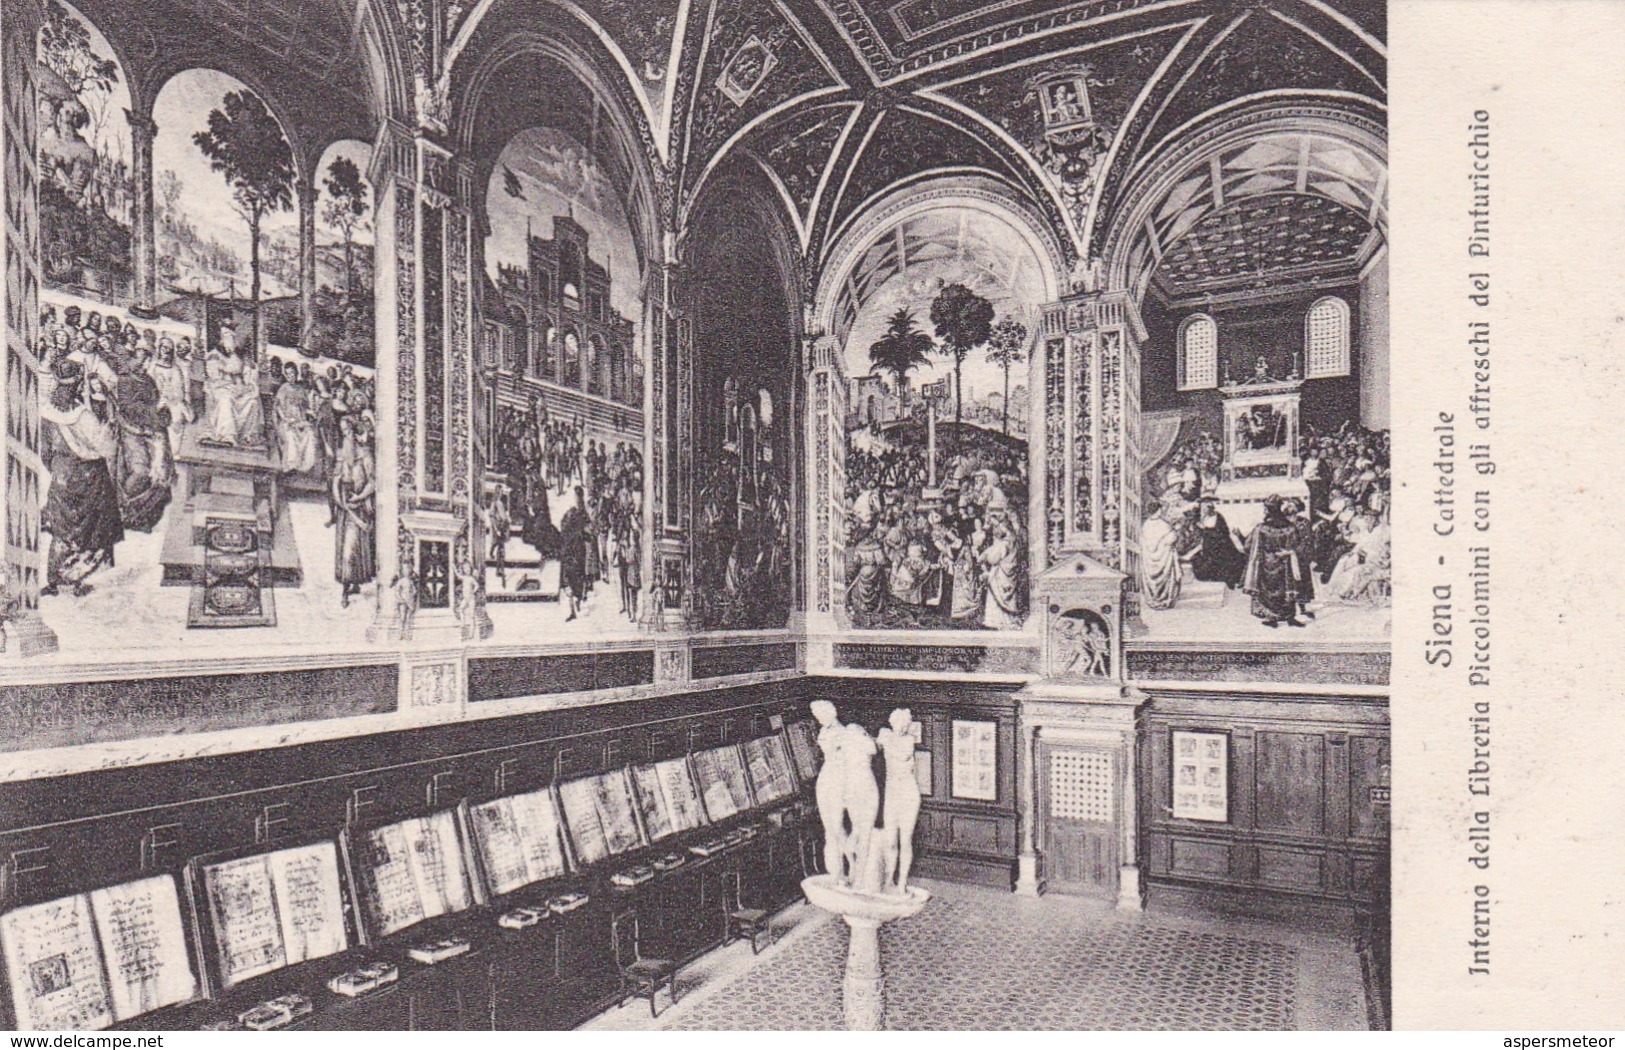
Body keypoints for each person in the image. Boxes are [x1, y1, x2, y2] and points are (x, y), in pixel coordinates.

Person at [40, 360, 123, 596]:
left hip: (61, 477)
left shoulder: (46, 412)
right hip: (89, 476)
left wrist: (59, 470)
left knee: (62, 529)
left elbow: (44, 452)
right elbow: (104, 447)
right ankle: (79, 580)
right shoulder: (82, 414)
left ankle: (55, 578)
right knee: (90, 528)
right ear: (77, 384)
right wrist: (110, 428)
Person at [877, 708, 923, 893]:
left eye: (906, 723)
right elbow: (872, 747)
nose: (903, 727)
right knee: (890, 840)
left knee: (905, 840)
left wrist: (886, 740)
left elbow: (902, 755)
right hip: (892, 793)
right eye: (900, 723)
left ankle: (902, 883)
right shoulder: (886, 735)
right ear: (892, 722)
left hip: (908, 793)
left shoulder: (908, 740)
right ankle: (889, 880)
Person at [332, 416, 376, 608]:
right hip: (345, 506)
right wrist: (338, 498)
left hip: (359, 506)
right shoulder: (342, 454)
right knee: (345, 550)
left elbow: (374, 481)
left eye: (348, 431)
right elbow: (335, 478)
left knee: (354, 549)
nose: (345, 436)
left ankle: (354, 582)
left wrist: (360, 497)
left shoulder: (364, 454)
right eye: (342, 433)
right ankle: (345, 588)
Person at [1242, 494, 1305, 628]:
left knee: (1268, 590)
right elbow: (1299, 544)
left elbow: (1247, 547)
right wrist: (1288, 552)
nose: (1264, 511)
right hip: (1285, 563)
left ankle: (1272, 617)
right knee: (1286, 588)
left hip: (1266, 563)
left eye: (1265, 508)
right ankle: (1289, 617)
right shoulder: (1290, 527)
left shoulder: (1261, 528)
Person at [204, 325, 265, 447]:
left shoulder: (238, 357)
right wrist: (228, 373)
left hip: (236, 388)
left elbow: (246, 374)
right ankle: (227, 435)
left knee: (252, 401)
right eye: (226, 336)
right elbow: (214, 376)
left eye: (232, 336)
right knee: (226, 399)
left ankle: (249, 435)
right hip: (220, 388)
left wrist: (247, 382)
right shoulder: (214, 355)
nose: (230, 339)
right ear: (221, 338)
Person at [1187, 496, 1245, 588]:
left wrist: (1205, 529)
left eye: (1209, 504)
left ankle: (1230, 580)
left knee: (1229, 562)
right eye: (1205, 504)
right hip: (1208, 547)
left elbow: (1224, 532)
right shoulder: (1199, 518)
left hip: (1222, 545)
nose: (1207, 506)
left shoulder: (1218, 516)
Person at [980, 518, 1027, 628]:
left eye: (1000, 527)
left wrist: (987, 555)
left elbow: (993, 559)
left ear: (1005, 528)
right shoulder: (1015, 540)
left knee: (998, 596)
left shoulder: (1005, 543)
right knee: (1010, 597)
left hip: (1001, 574)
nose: (998, 530)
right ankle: (1010, 620)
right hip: (1011, 572)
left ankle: (998, 621)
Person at [273, 360, 317, 474]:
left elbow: (305, 407)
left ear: (296, 374)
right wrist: (285, 419)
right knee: (290, 435)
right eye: (287, 374)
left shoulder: (301, 389)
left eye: (292, 373)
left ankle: (306, 466)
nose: (290, 376)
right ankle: (291, 464)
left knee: (310, 434)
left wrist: (310, 412)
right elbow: (277, 407)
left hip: (300, 420)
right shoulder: (284, 388)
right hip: (287, 421)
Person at [1139, 498, 1183, 610]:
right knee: (1168, 575)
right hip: (1164, 559)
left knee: (1150, 576)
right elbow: (1171, 539)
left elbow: (1144, 542)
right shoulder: (1163, 525)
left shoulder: (1145, 525)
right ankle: (1164, 599)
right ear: (1158, 510)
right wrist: (1176, 530)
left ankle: (1153, 599)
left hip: (1149, 559)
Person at [559, 485, 589, 621]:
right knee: (569, 579)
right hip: (571, 550)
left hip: (575, 550)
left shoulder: (579, 513)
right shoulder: (574, 512)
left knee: (575, 578)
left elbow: (587, 529)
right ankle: (573, 608)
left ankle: (576, 602)